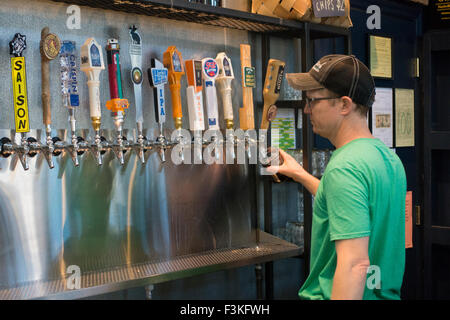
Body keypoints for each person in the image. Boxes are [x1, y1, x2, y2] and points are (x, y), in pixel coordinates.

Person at [267, 54, 406, 300]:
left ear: (344, 104)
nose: (307, 110)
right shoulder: (388, 159)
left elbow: (354, 265)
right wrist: (300, 174)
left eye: (313, 100)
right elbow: (350, 207)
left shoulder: (344, 168)